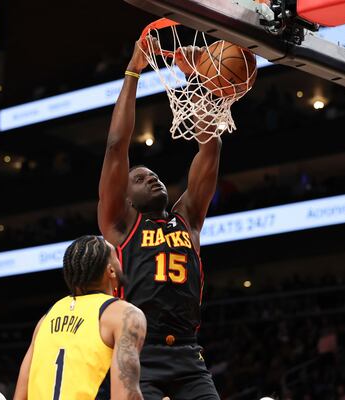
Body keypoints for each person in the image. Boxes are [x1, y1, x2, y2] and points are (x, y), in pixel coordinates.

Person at [98, 38, 222, 399]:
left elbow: (210, 147)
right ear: (126, 198)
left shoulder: (189, 219)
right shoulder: (120, 226)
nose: (150, 177)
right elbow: (115, 146)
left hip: (188, 354)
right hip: (138, 351)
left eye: (153, 175)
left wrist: (197, 81)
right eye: (139, 178)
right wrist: (133, 70)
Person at [14, 235, 147, 400]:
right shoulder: (124, 314)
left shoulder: (45, 320)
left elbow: (20, 397)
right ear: (111, 270)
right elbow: (125, 396)